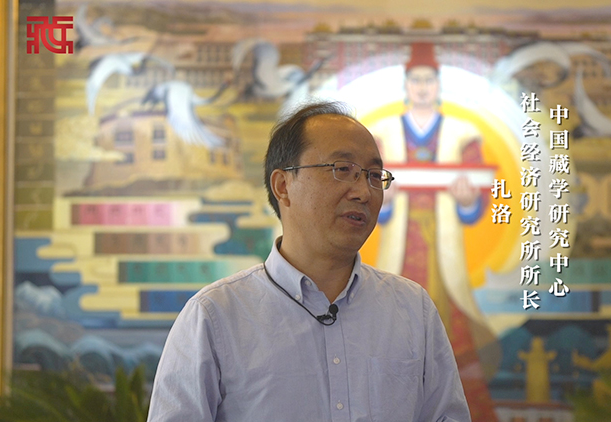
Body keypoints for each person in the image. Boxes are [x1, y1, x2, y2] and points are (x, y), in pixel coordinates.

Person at [147, 101, 471, 422]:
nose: (363, 192)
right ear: (283, 186)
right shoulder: (214, 316)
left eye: (374, 175)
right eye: (342, 169)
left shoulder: (412, 309)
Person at [368, 43, 498, 421]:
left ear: (438, 85)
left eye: (429, 80)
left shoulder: (462, 134)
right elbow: (368, 193)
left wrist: (467, 200)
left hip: (443, 249)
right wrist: (384, 202)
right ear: (406, 85)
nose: (422, 87)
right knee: (391, 326)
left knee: (450, 332)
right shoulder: (382, 134)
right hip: (401, 245)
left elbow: (477, 201)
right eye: (416, 80)